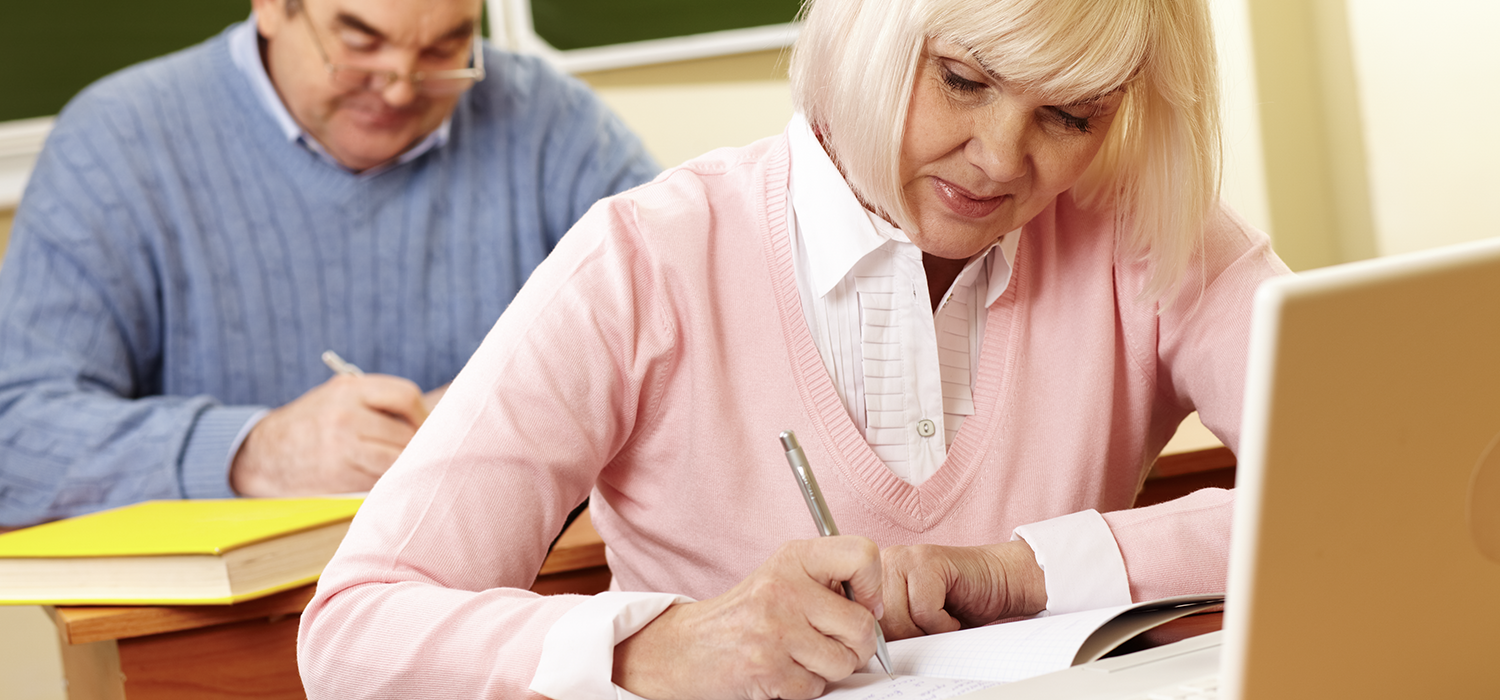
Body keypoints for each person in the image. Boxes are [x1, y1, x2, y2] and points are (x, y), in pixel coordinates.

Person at [298, 0, 1290, 697]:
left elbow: (1383, 488)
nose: (999, 157)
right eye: (962, 81)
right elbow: (354, 634)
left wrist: (1029, 571)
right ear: (867, 25)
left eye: (1070, 114)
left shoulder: (1146, 228)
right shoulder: (647, 258)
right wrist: (659, 648)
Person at [0, 0, 658, 527]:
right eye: (360, 44)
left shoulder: (553, 122)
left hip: (508, 614)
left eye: (442, 50)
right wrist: (253, 454)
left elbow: (693, 329)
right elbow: (17, 434)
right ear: (271, 8)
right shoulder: (114, 144)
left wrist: (517, 408)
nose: (400, 88)